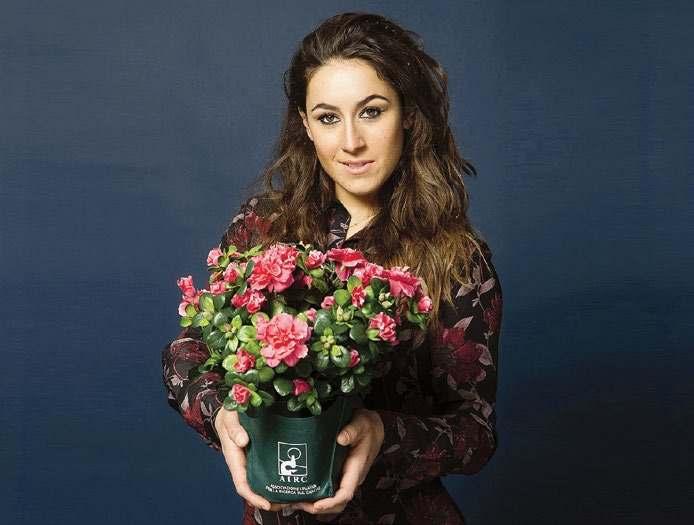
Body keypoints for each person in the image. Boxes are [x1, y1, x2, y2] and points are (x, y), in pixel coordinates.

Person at [161, 12, 503, 525]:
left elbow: (475, 433)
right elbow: (188, 351)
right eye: (327, 118)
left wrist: (383, 434)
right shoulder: (262, 228)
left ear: (409, 115)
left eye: (372, 112)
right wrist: (222, 413)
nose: (351, 142)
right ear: (305, 124)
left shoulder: (457, 259)